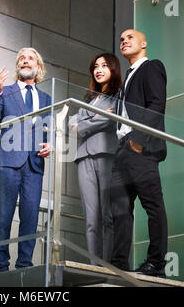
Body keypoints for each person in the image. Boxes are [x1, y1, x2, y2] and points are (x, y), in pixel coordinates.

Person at [110, 29, 168, 277]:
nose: (124, 41)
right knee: (120, 210)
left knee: (152, 206)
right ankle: (118, 264)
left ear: (144, 43)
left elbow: (157, 104)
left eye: (129, 38)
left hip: (140, 148)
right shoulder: (127, 79)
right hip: (122, 151)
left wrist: (139, 140)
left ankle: (156, 264)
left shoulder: (151, 67)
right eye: (121, 40)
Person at [0, 47, 51, 273]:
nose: (26, 61)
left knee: (30, 216)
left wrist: (51, 143)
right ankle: (0, 266)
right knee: (3, 215)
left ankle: (24, 264)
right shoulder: (5, 92)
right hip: (9, 162)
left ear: (39, 67)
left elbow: (49, 128)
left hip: (34, 164)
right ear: (18, 66)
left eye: (31, 58)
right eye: (22, 59)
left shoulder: (47, 97)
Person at [69, 53, 121, 264]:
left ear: (113, 69)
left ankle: (109, 265)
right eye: (96, 66)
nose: (99, 70)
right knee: (91, 218)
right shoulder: (89, 99)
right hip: (83, 158)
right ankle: (94, 265)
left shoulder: (118, 96)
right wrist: (95, 119)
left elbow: (109, 119)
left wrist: (83, 124)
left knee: (108, 215)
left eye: (104, 66)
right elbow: (71, 125)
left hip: (106, 154)